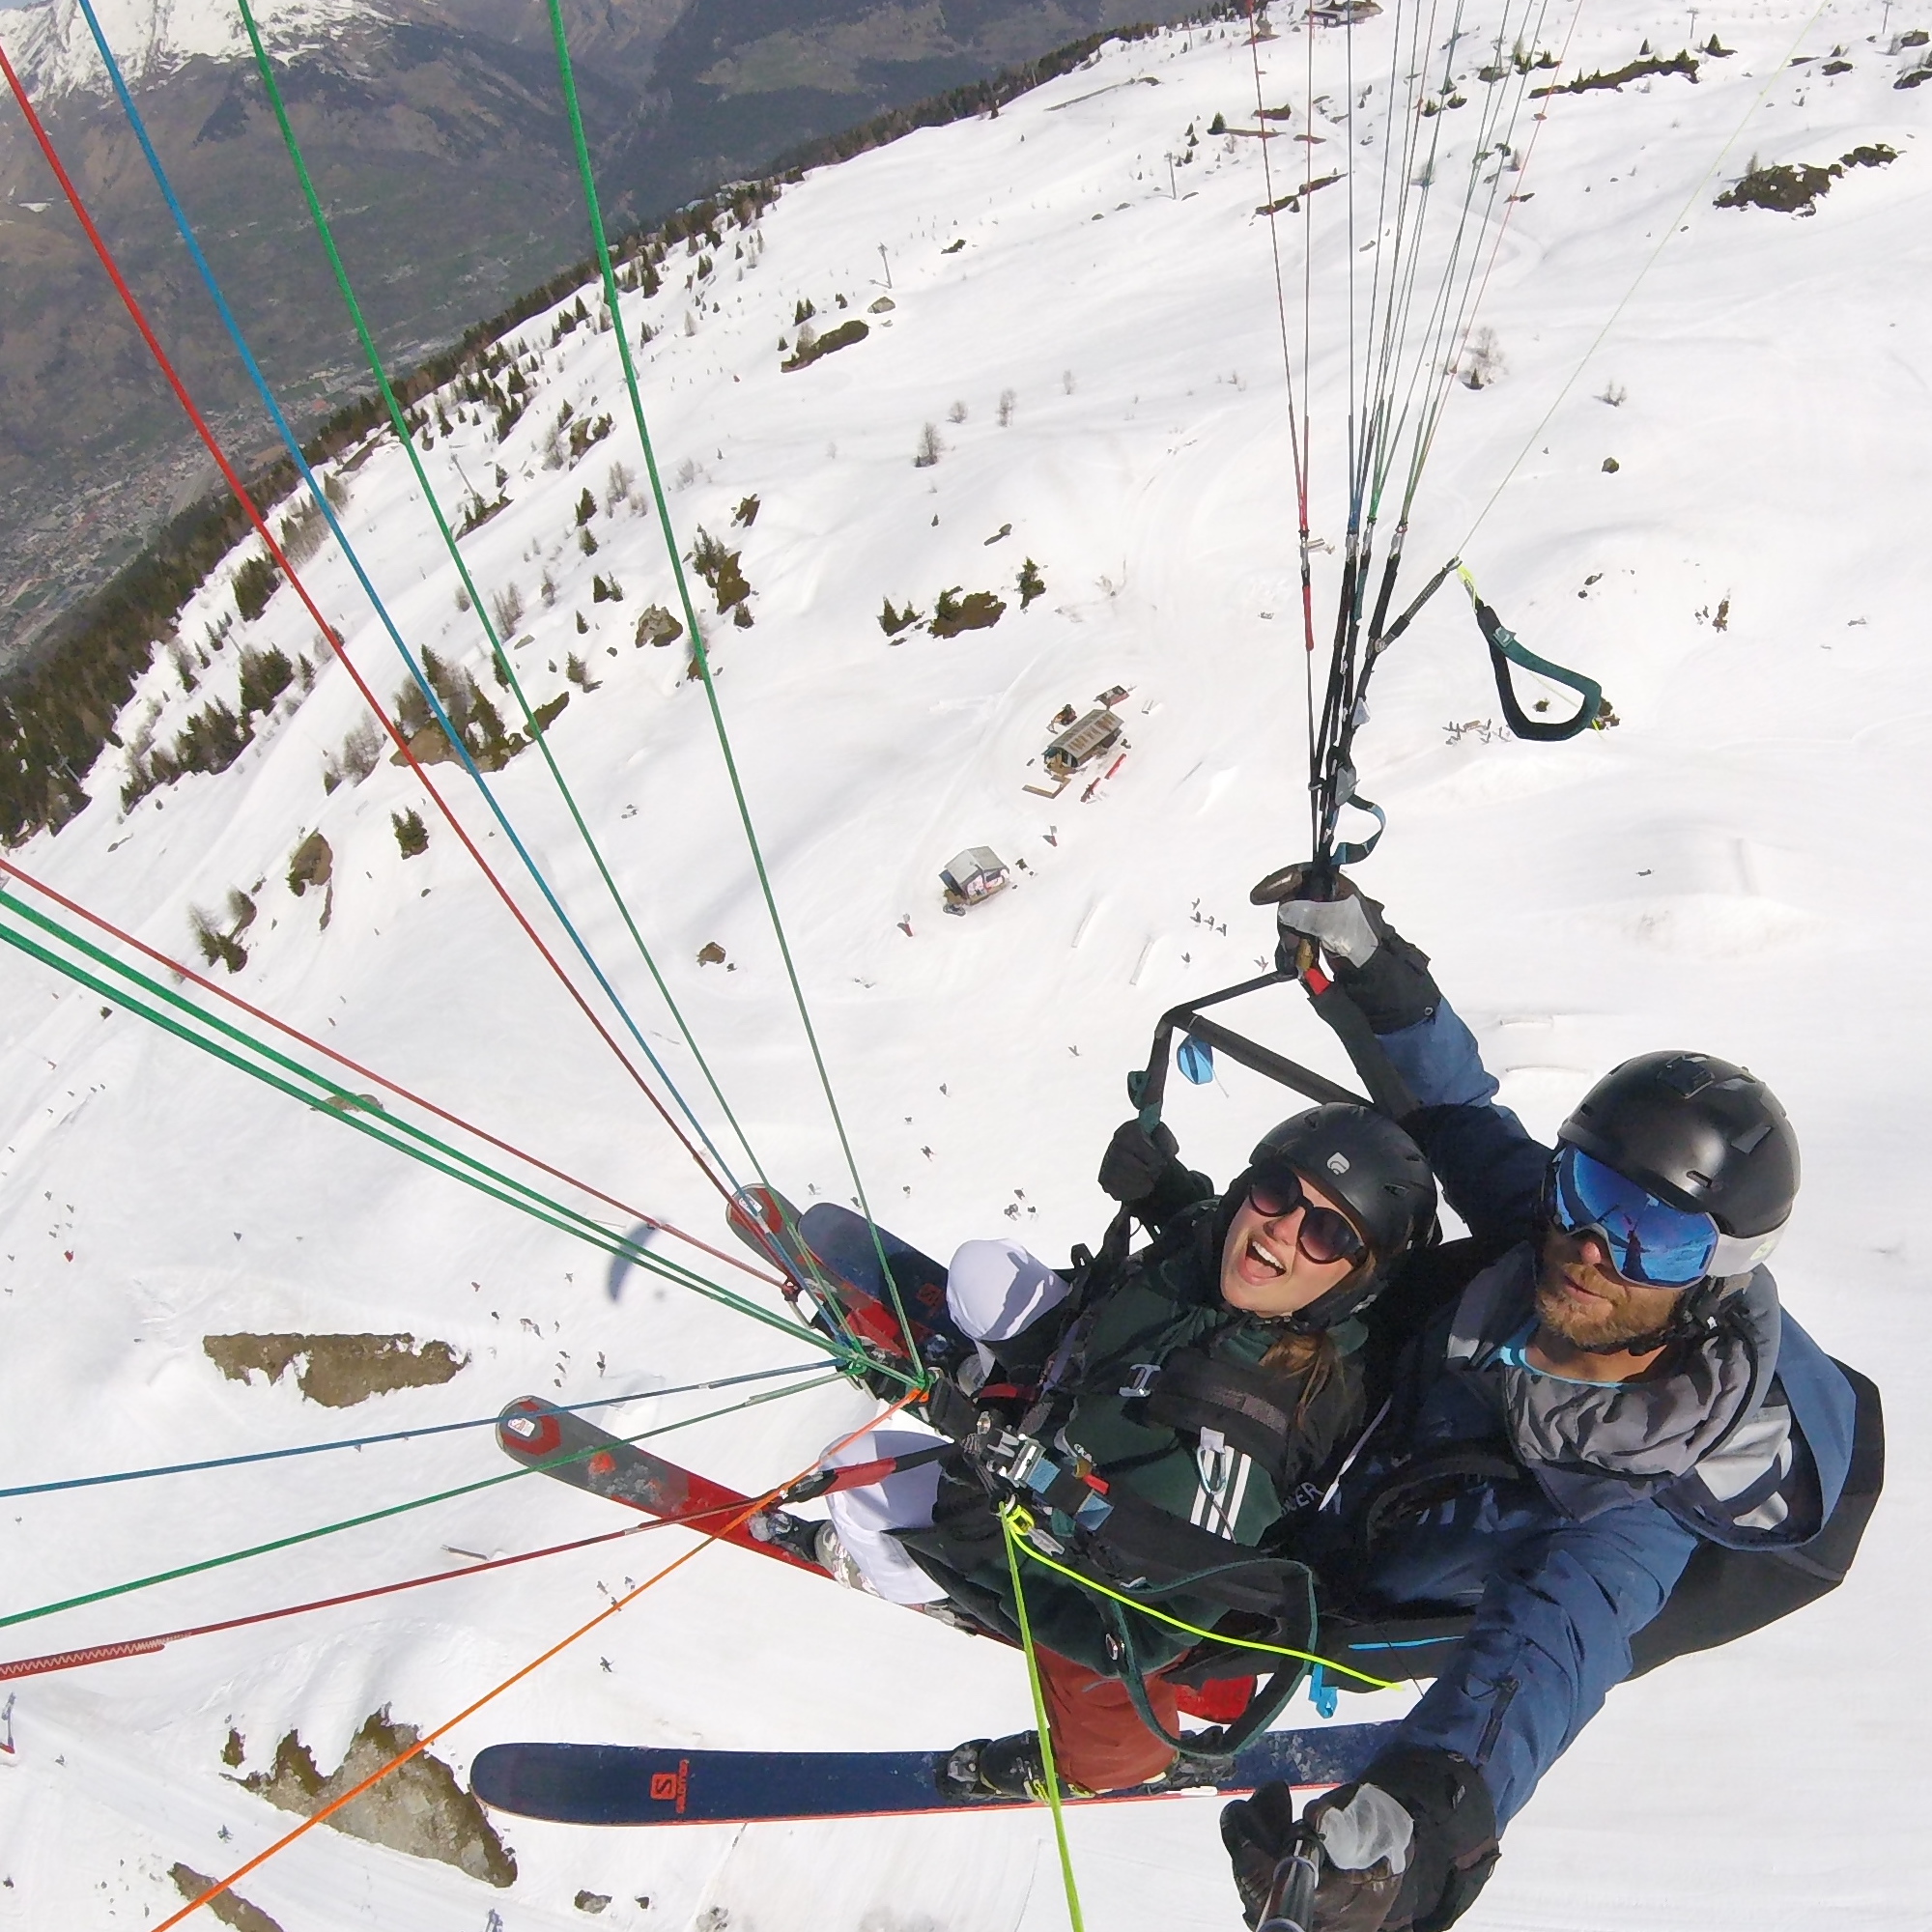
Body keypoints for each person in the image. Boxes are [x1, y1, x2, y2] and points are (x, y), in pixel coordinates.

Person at [1217, 876, 1883, 1932]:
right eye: (1584, 1190)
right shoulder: (1561, 1245)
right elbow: (1453, 1113)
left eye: (1651, 1235)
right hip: (1337, 1437)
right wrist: (1372, 968)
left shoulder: (1632, 1506)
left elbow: (1539, 1660)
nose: (1589, 1244)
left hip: (1318, 1585)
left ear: (1711, 1277)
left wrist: (1416, 1836)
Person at [800, 1101, 1437, 1799]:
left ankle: (906, 1578)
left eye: (1325, 1231)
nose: (1282, 1228)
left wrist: (978, 1524)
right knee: (981, 1271)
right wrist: (1166, 1191)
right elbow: (1207, 1232)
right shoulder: (1230, 1259)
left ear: (1353, 1282)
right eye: (1279, 1192)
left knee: (852, 1474)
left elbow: (1142, 1638)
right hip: (1083, 1395)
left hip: (1070, 1545)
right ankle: (1007, 1388)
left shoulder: (1241, 1440)